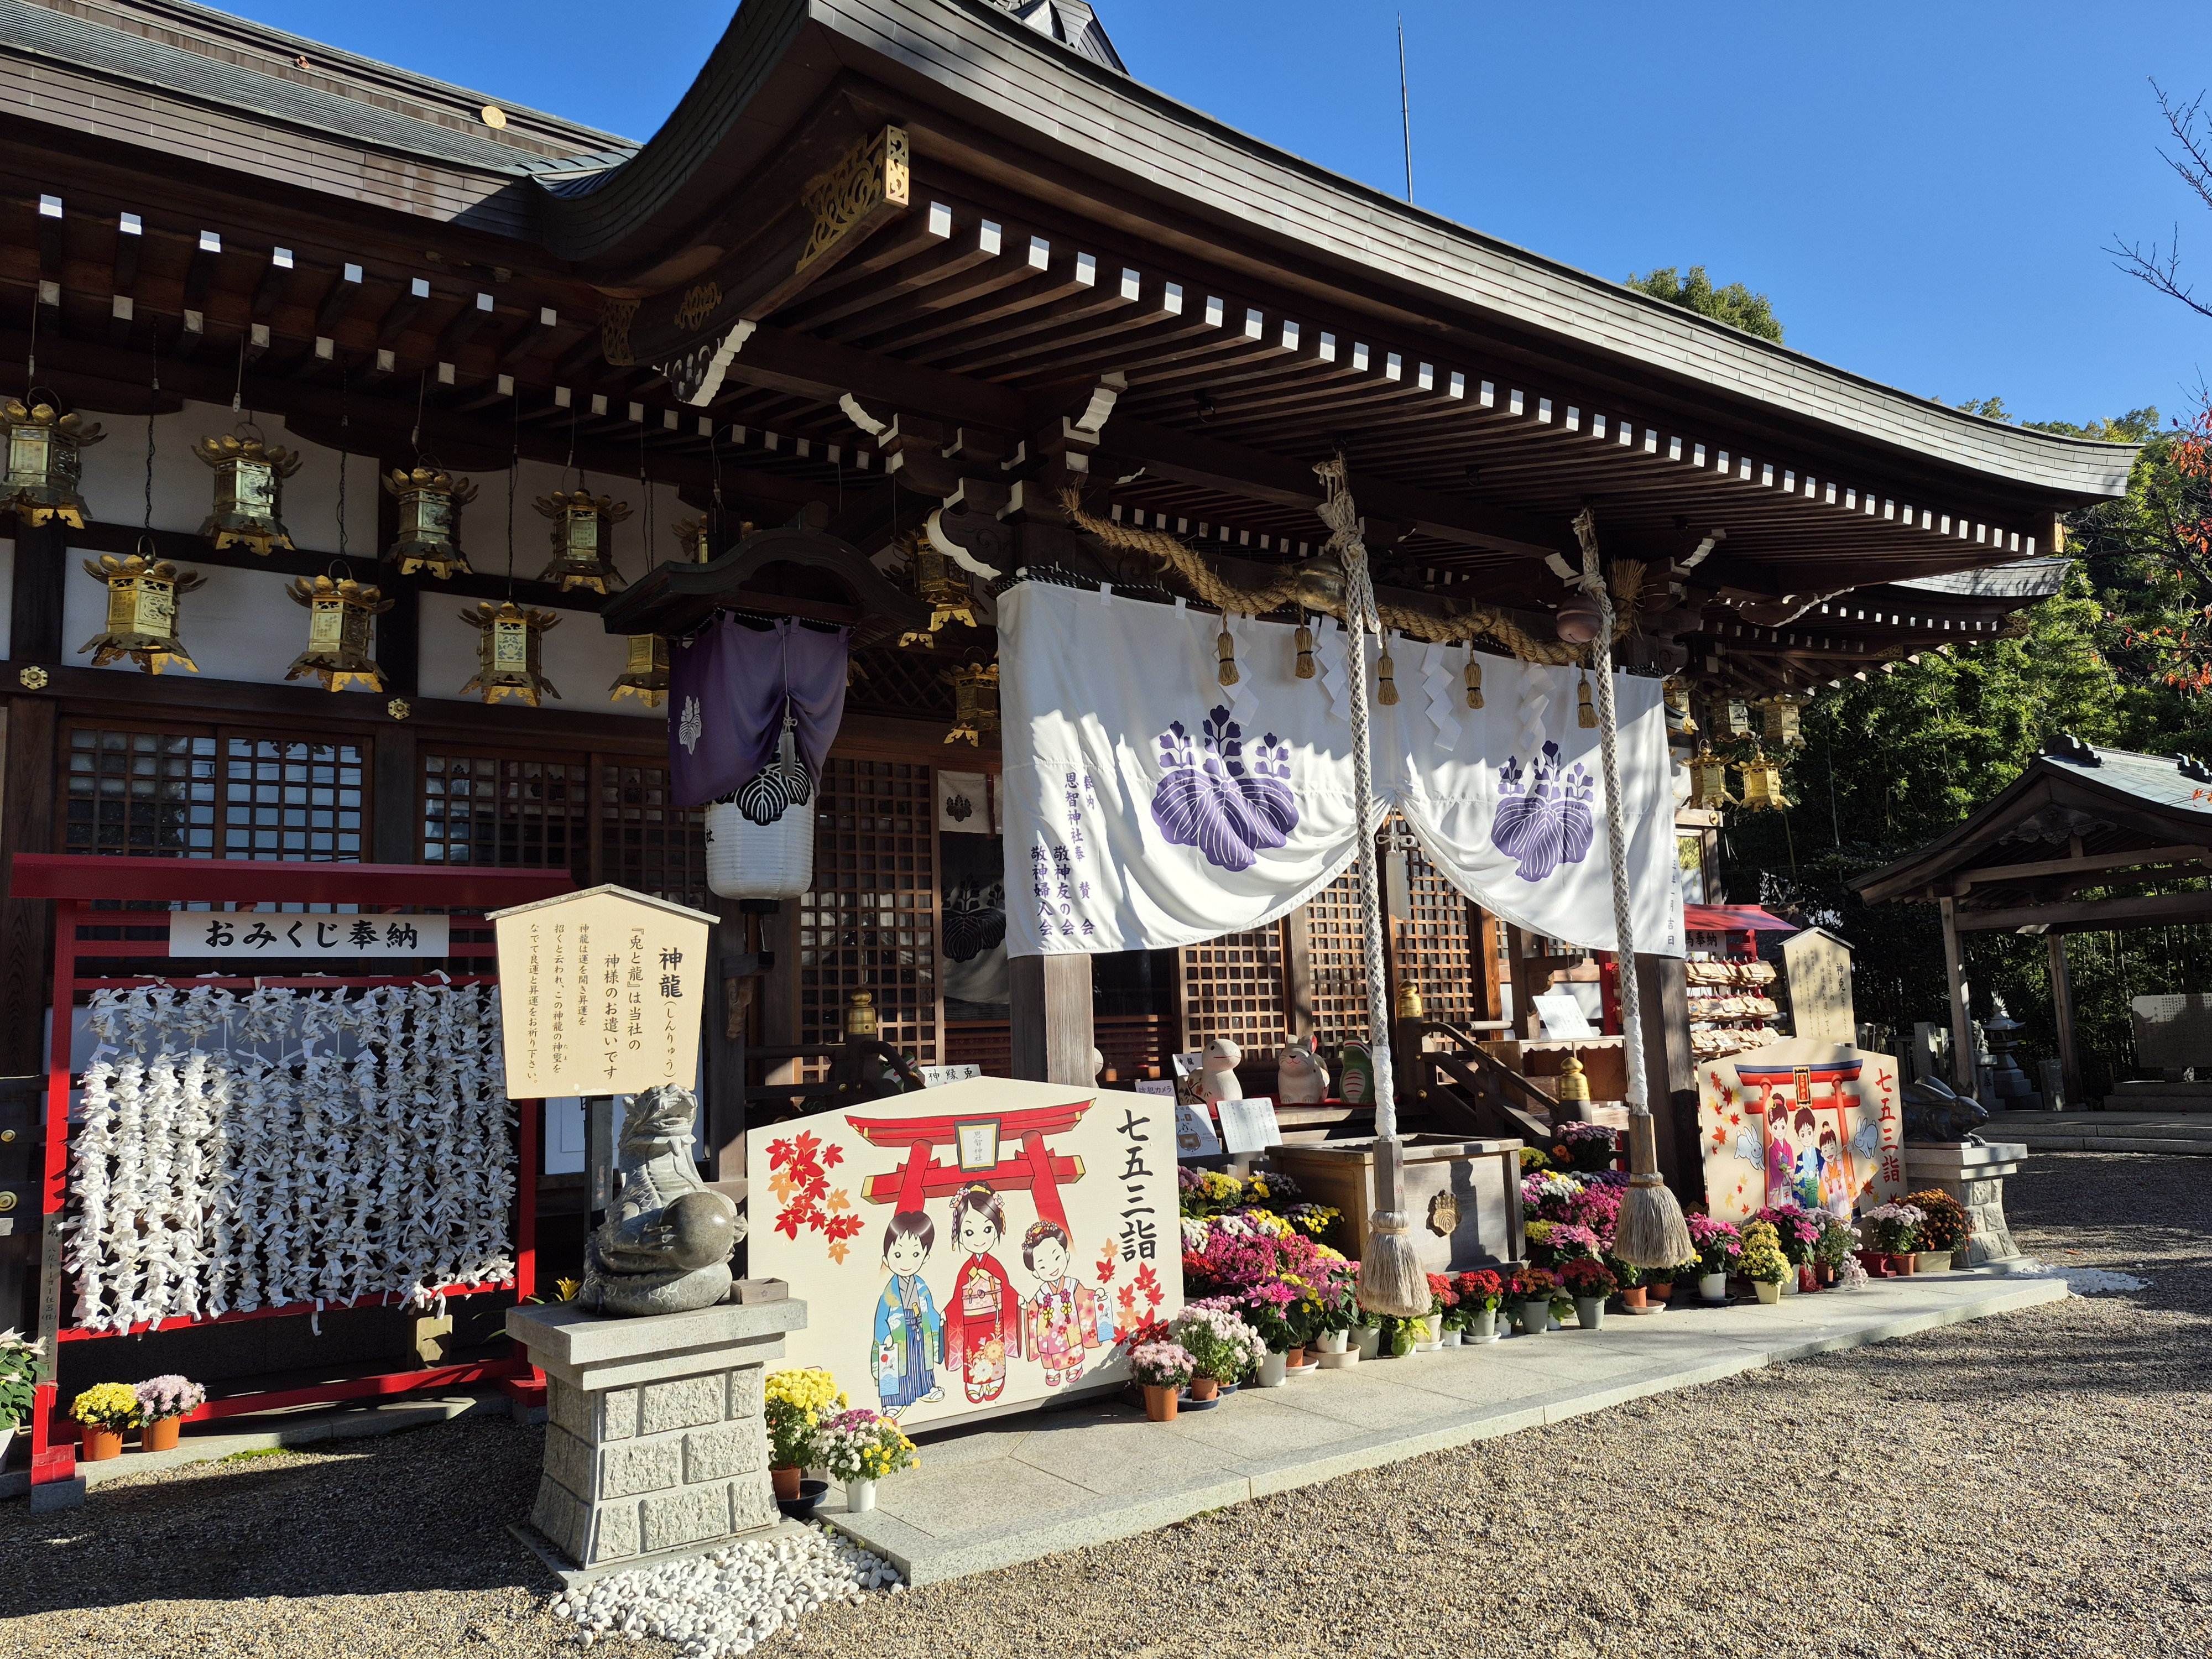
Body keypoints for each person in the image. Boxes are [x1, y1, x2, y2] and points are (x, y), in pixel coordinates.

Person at [943, 1184, 1020, 1405]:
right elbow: (957, 1299)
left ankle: (996, 1379)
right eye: (969, 1232)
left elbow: (1007, 1289)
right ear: (960, 1234)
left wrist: (1016, 1298)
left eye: (987, 1229)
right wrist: (948, 1313)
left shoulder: (994, 1265)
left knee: (994, 1349)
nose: (979, 1238)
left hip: (993, 1319)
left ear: (996, 1229)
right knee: (972, 1350)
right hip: (971, 1322)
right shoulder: (965, 1269)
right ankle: (974, 1383)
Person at [871, 1209, 945, 1418]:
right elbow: (881, 1317)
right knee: (893, 1365)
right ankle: (893, 1401)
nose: (906, 1262)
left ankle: (925, 1388)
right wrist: (885, 1335)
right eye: (898, 1255)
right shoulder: (889, 1292)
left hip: (920, 1330)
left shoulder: (921, 1286)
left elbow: (929, 1309)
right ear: (886, 1258)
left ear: (925, 1257)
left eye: (915, 1255)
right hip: (897, 1335)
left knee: (920, 1363)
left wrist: (938, 1320)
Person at [1019, 1220, 1101, 1388]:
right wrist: (1026, 1306)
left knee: (1073, 1343)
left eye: (1057, 1258)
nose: (1052, 1267)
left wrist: (1095, 1295)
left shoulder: (1071, 1284)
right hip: (1050, 1329)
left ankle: (1075, 1365)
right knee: (1049, 1347)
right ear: (1036, 1273)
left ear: (1066, 1256)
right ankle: (1052, 1370)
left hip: (1070, 1326)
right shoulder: (1042, 1292)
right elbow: (1033, 1309)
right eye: (1043, 1265)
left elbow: (1084, 1297)